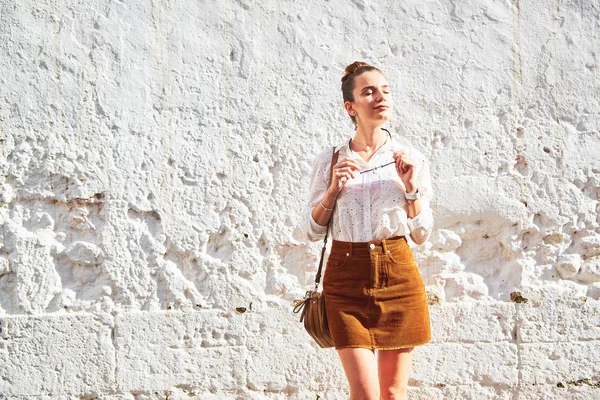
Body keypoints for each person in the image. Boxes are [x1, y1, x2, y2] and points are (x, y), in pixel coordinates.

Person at [299, 61, 434, 400]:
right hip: (346, 279)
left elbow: (421, 234)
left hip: (398, 273)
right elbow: (311, 231)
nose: (380, 97)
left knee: (391, 393)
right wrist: (332, 190)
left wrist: (411, 189)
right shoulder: (330, 160)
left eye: (385, 90)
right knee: (365, 395)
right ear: (351, 107)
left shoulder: (410, 158)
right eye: (369, 91)